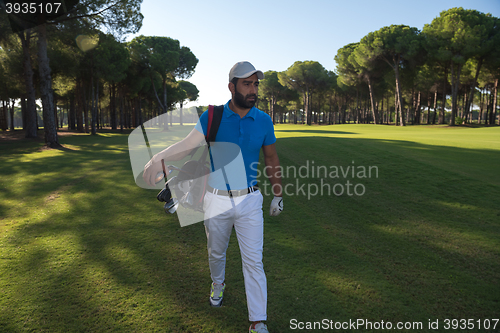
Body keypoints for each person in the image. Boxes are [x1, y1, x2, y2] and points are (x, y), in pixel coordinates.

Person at [143, 61, 283, 333]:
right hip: (216, 199)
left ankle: (257, 321)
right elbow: (186, 146)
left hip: (250, 200)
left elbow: (271, 157)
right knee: (216, 252)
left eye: (255, 84)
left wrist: (278, 194)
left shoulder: (264, 120)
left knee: (254, 261)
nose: (253, 89)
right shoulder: (213, 117)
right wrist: (157, 158)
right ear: (231, 86)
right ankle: (218, 282)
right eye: (246, 83)